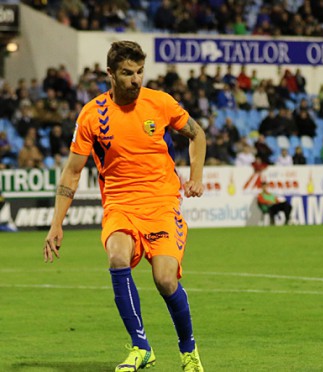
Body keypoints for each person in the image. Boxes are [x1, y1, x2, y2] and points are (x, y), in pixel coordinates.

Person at [42, 41, 206, 372]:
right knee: (117, 256)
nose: (136, 80)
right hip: (119, 203)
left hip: (161, 202)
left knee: (165, 280)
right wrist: (56, 223)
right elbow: (72, 172)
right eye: (127, 73)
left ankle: (188, 350)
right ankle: (140, 346)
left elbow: (197, 133)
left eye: (140, 72)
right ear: (110, 74)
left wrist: (196, 176)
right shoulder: (92, 114)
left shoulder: (159, 103)